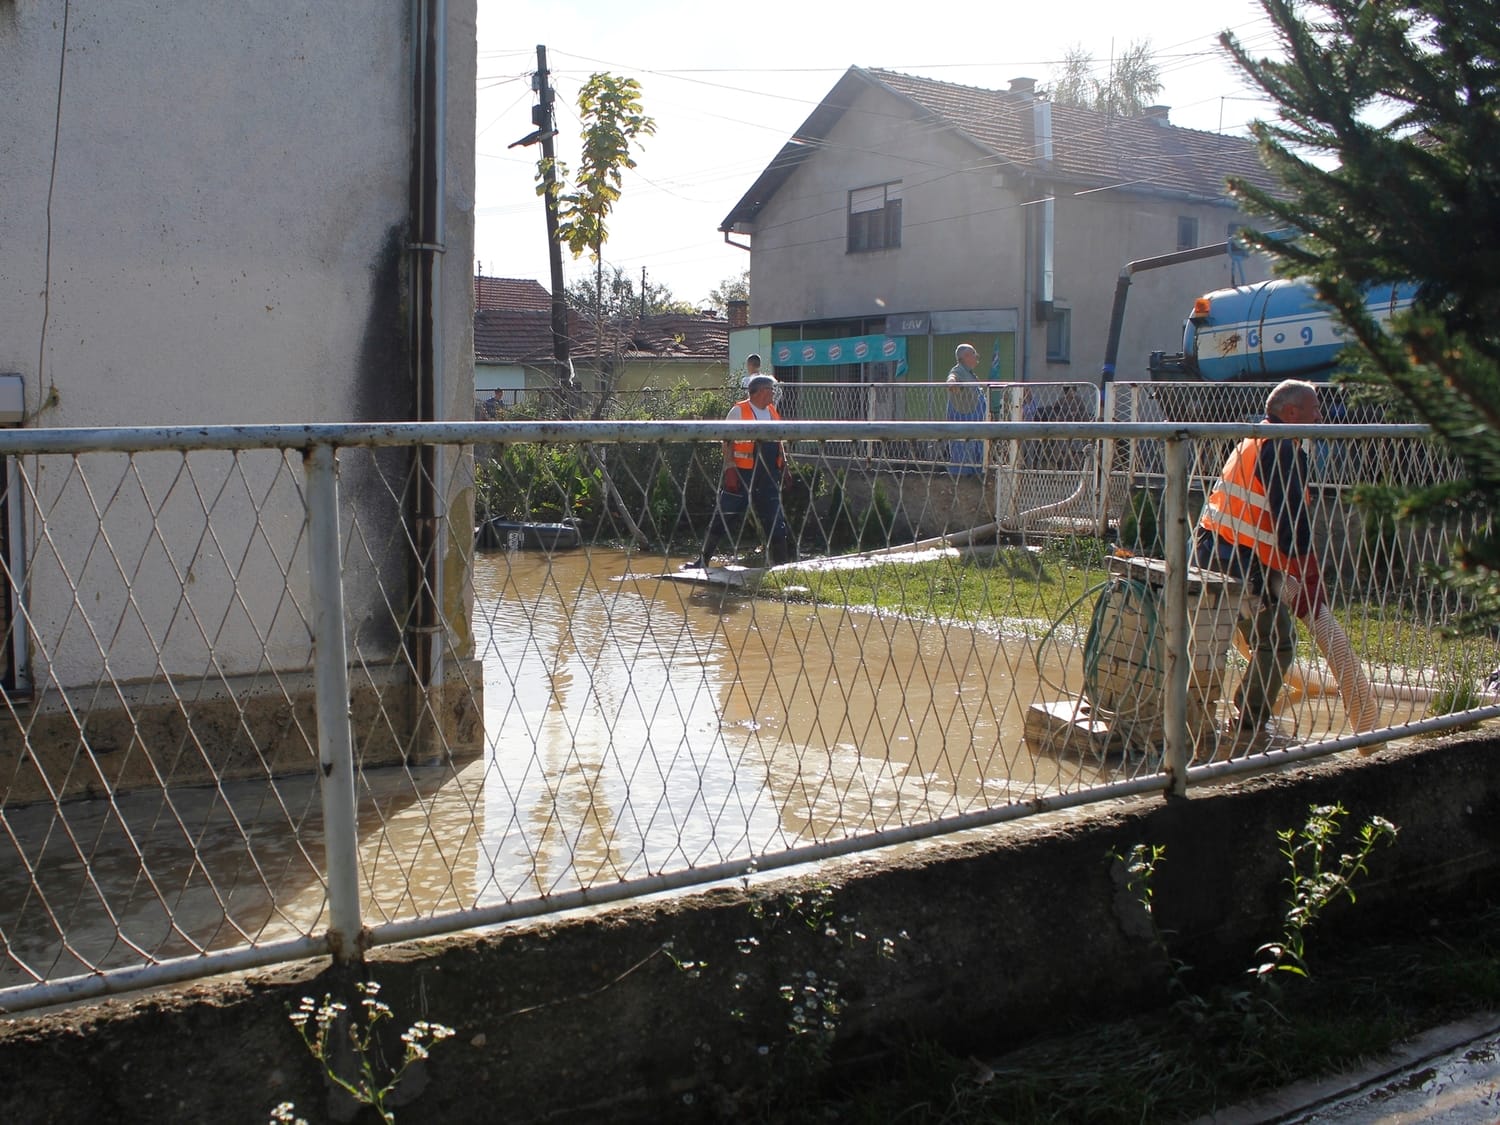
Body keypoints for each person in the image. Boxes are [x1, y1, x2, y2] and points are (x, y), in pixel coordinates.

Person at [1195, 378, 1325, 746]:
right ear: (1291, 412)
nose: (1321, 415)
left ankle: (1203, 714)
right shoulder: (1281, 447)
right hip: (1240, 561)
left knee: (1210, 640)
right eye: (1314, 408)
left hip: (1216, 550)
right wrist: (1306, 572)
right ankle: (1248, 722)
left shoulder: (1259, 438)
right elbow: (1290, 520)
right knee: (1278, 642)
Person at [684, 370, 792, 568]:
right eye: (770, 390)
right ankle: (703, 560)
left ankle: (781, 566)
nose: (773, 394)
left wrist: (784, 465)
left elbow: (779, 442)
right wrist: (730, 468)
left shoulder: (772, 411)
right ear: (760, 391)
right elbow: (727, 441)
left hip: (768, 475)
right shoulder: (739, 411)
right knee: (724, 515)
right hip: (743, 473)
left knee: (774, 519)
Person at [945, 343, 987, 475]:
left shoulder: (970, 373)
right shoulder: (959, 370)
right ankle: (962, 475)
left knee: (975, 446)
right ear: (966, 356)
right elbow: (952, 378)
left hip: (975, 420)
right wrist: (952, 383)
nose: (977, 358)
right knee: (962, 446)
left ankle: (975, 473)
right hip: (964, 417)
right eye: (975, 354)